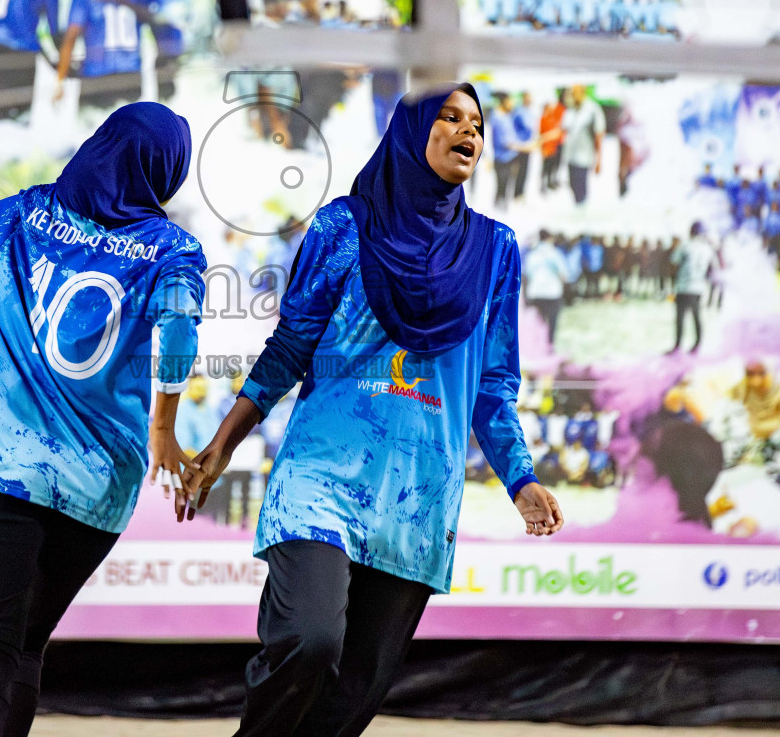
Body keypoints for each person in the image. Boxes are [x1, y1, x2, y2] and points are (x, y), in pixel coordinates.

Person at [180, 85, 563, 737]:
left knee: (351, 700)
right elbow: (290, 348)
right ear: (411, 132)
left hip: (417, 493)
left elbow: (492, 386)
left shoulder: (496, 251)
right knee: (310, 639)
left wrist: (521, 477)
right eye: (449, 118)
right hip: (321, 475)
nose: (467, 131)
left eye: (476, 123)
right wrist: (222, 445)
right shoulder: (343, 227)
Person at [0, 103, 206, 737]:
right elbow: (180, 332)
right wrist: (163, 430)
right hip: (97, 480)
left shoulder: (26, 215)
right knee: (29, 643)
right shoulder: (174, 249)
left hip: (6, 463)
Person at [56, 0, 152, 106]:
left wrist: (59, 81)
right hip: (132, 76)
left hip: (98, 77)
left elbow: (71, 37)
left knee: (91, 128)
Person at [524, 230, 576, 349]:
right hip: (552, 293)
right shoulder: (555, 254)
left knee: (539, 323)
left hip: (536, 292)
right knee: (552, 322)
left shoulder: (532, 254)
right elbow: (564, 275)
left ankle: (538, 348)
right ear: (550, 238)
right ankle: (549, 347)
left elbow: (526, 275)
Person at [669, 223, 715, 355]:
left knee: (680, 317)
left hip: (684, 285)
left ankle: (678, 345)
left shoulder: (685, 245)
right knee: (697, 316)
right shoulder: (707, 248)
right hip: (698, 286)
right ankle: (697, 344)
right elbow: (712, 268)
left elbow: (674, 261)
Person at [561, 83, 605, 206]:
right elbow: (563, 130)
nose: (572, 96)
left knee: (581, 186)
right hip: (570, 156)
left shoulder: (592, 109)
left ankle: (582, 208)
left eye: (574, 93)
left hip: (584, 156)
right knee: (572, 184)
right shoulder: (571, 110)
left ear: (582, 92)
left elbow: (599, 135)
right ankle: (577, 205)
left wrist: (599, 160)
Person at [538, 92, 565, 192]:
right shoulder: (543, 119)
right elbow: (542, 134)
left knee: (552, 166)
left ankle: (550, 182)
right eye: (549, 107)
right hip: (546, 148)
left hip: (554, 147)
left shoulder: (552, 118)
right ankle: (542, 186)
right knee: (545, 168)